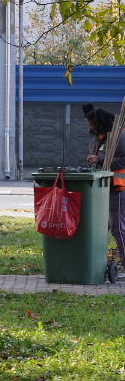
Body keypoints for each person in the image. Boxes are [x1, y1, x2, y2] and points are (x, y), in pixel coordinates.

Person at [83, 103, 125, 276]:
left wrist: (100, 160)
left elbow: (123, 161)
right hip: (105, 187)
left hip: (118, 187)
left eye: (92, 124)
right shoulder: (101, 137)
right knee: (105, 226)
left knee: (117, 228)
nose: (90, 127)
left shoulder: (118, 137)